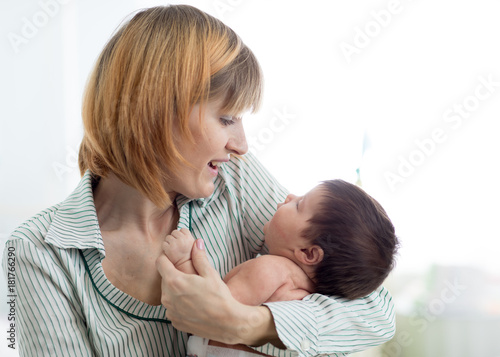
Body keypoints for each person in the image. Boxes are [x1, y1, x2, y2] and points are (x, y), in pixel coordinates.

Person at [2, 5, 395, 357]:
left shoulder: (232, 181)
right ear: (156, 112)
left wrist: (247, 323)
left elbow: (375, 308)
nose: (241, 145)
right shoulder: (38, 253)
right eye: (226, 119)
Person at [163, 179, 399, 356]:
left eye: (298, 205)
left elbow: (208, 312)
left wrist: (185, 260)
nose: (288, 197)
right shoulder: (311, 296)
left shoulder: (270, 271)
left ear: (308, 253)